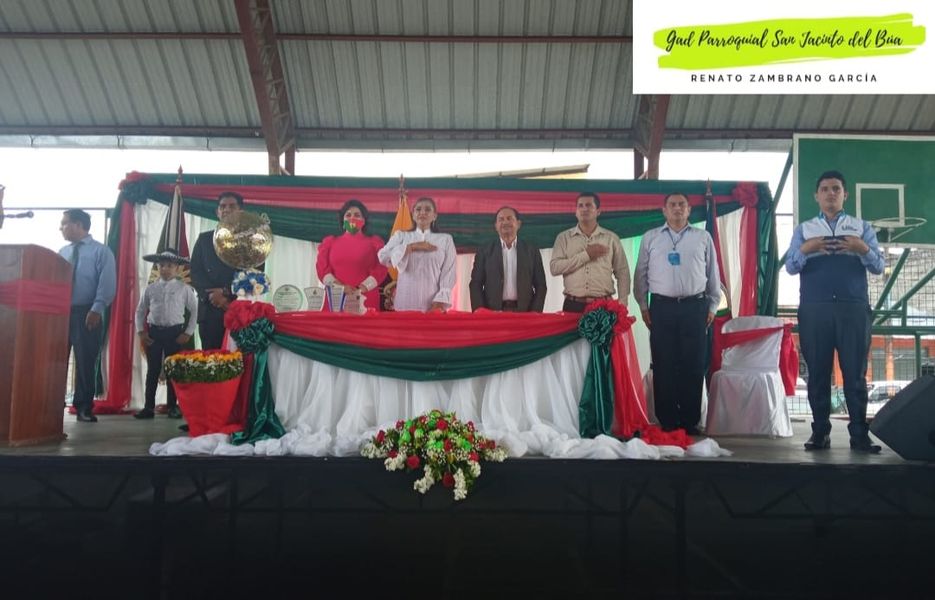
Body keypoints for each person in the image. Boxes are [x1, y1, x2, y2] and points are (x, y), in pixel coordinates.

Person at [785, 170, 885, 453]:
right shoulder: (804, 230)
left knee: (855, 373)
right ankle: (820, 433)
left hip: (853, 308)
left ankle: (859, 435)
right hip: (815, 309)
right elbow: (791, 267)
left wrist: (862, 248)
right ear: (816, 196)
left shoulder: (861, 227)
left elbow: (878, 266)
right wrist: (807, 248)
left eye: (836, 189)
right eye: (825, 189)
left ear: (845, 195)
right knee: (818, 372)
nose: (831, 193)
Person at [633, 192, 721, 435]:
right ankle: (668, 420)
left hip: (695, 307)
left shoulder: (702, 237)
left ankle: (690, 420)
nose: (677, 208)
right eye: (672, 205)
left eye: (682, 204)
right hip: (662, 308)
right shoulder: (651, 237)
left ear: (689, 210)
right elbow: (640, 274)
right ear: (664, 210)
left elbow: (713, 274)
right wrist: (643, 306)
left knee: (693, 363)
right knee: (664, 363)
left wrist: (712, 306)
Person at [59, 208, 116, 423]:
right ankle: (54, 404)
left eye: (65, 223)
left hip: (87, 311)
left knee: (85, 361)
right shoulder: (62, 252)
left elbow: (107, 283)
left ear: (78, 225)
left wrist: (96, 309)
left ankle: (83, 407)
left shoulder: (101, 251)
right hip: (61, 313)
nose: (61, 228)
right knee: (56, 361)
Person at [133, 249, 198, 420]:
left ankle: (172, 406)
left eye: (170, 266)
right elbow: (140, 311)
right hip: (154, 333)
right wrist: (141, 331)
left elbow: (194, 311)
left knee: (173, 370)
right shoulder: (151, 289)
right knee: (153, 370)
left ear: (177, 268)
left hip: (175, 333)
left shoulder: (184, 289)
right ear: (157, 267)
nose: (165, 269)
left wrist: (188, 332)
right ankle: (148, 407)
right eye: (162, 265)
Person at [550, 192, 630, 313]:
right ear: (576, 212)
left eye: (589, 205)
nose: (584, 209)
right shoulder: (563, 238)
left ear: (598, 211)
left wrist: (623, 303)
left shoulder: (611, 238)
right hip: (573, 305)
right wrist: (586, 255)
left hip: (604, 305)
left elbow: (622, 272)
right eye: (580, 206)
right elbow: (555, 268)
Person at [377, 197, 456, 312]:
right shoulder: (401, 236)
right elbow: (382, 256)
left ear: (434, 216)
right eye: (418, 209)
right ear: (413, 215)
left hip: (433, 304)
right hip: (405, 302)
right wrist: (411, 247)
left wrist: (440, 301)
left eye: (427, 209)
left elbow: (449, 271)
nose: (422, 212)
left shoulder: (445, 240)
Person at [469, 206, 547, 312]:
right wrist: (480, 311)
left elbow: (541, 285)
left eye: (509, 218)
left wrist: (535, 312)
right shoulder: (485, 251)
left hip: (525, 312)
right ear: (496, 226)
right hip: (493, 312)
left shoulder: (531, 251)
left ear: (518, 224)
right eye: (501, 219)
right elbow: (476, 284)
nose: (505, 222)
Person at [190, 191, 242, 349]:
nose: (227, 210)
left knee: (239, 358)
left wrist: (226, 293)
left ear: (241, 211)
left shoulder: (251, 241)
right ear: (217, 212)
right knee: (211, 359)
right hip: (210, 310)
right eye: (222, 206)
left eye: (232, 206)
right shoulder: (204, 239)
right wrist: (214, 296)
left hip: (240, 310)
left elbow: (255, 276)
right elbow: (195, 272)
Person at [316, 199, 388, 311]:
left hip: (365, 298)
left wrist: (361, 289)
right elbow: (322, 269)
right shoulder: (329, 242)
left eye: (357, 215)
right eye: (348, 215)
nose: (352, 218)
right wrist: (342, 287)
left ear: (364, 220)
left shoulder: (375, 243)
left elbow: (382, 268)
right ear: (343, 220)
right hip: (335, 299)